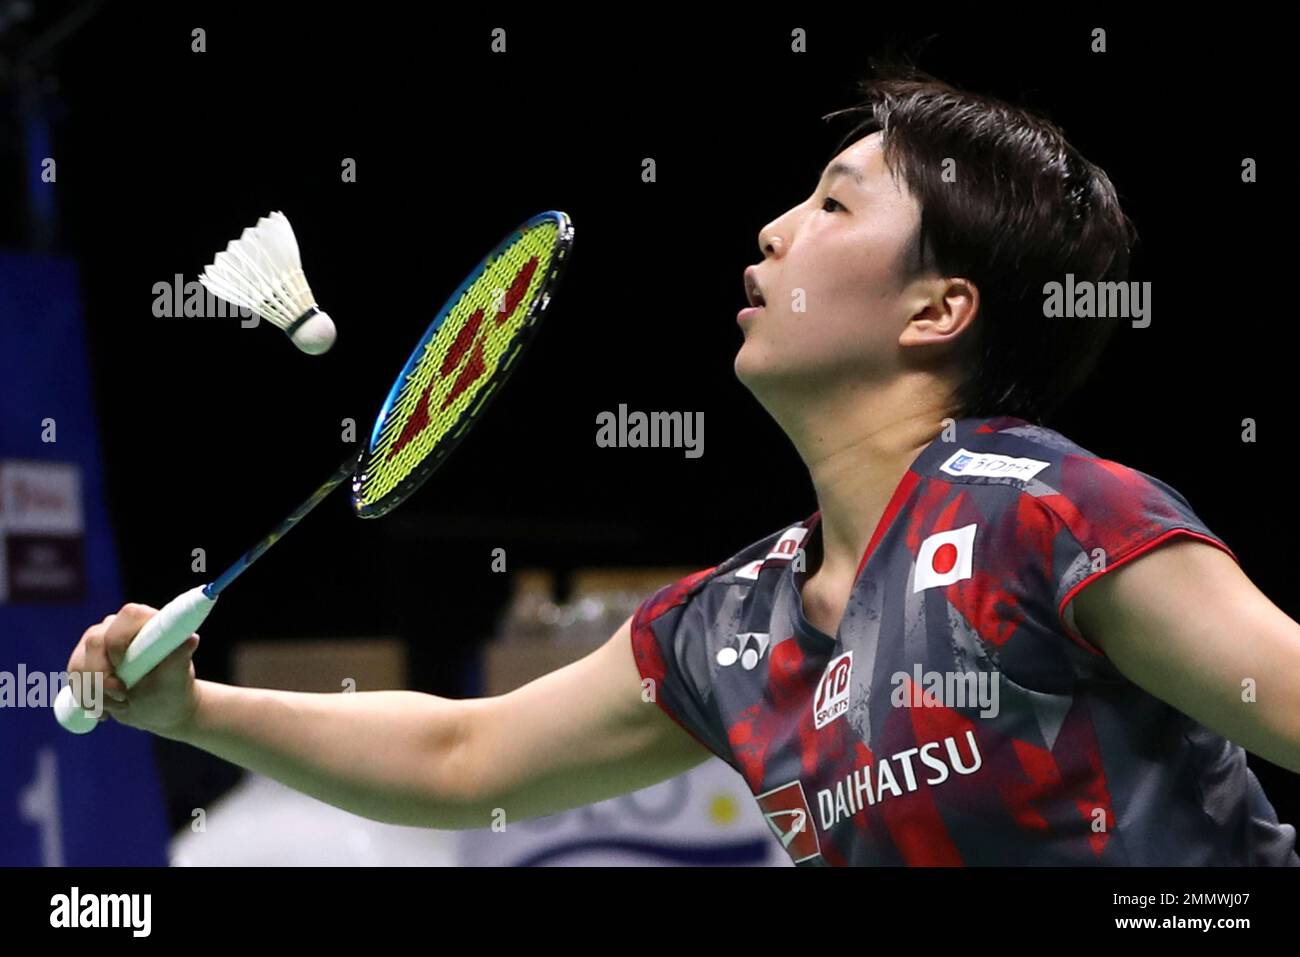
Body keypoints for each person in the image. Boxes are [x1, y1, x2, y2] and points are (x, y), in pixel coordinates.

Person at [67, 66, 1300, 865]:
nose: (773, 228)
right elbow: (468, 760)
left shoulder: (1054, 518)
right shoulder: (734, 626)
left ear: (937, 310)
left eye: (833, 205)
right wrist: (195, 710)